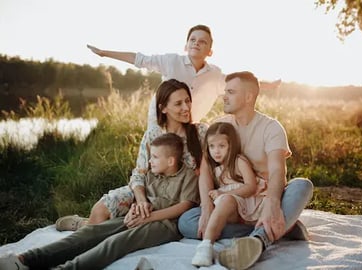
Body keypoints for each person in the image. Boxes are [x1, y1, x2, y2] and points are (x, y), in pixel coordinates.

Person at [0, 133, 200, 270]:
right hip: (140, 217)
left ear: (171, 161)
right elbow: (141, 198)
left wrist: (148, 218)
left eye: (155, 157)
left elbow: (184, 206)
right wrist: (133, 211)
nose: (150, 161)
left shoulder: (188, 176)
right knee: (93, 231)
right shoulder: (152, 174)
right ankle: (26, 259)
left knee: (116, 242)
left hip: (165, 225)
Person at [178, 71, 314, 270]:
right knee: (186, 222)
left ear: (249, 97)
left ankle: (259, 239)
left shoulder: (271, 127)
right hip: (232, 201)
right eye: (225, 91)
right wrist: (207, 207)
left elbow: (277, 171)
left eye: (231, 92)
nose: (224, 96)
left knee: (303, 186)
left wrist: (273, 203)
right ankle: (282, 226)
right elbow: (205, 170)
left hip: (263, 198)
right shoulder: (219, 125)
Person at [55, 78, 207, 231]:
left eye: (188, 101)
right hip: (149, 191)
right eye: (178, 103)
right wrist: (141, 201)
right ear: (163, 108)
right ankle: (84, 224)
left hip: (181, 197)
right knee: (100, 210)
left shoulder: (200, 132)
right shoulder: (152, 134)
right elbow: (139, 174)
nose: (186, 107)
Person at [87, 24, 281, 127]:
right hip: (161, 119)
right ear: (186, 45)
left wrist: (268, 85)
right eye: (193, 39)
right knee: (159, 159)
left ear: (210, 51)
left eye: (203, 42)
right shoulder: (171, 61)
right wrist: (105, 53)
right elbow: (139, 59)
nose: (197, 43)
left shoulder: (215, 75)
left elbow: (239, 84)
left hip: (190, 125)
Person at [191, 122, 267, 267]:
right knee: (194, 219)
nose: (216, 151)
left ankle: (206, 246)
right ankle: (208, 243)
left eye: (221, 146)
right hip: (235, 211)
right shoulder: (216, 169)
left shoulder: (239, 161)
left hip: (251, 203)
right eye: (212, 146)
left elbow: (251, 187)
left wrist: (224, 193)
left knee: (225, 201)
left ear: (231, 145)